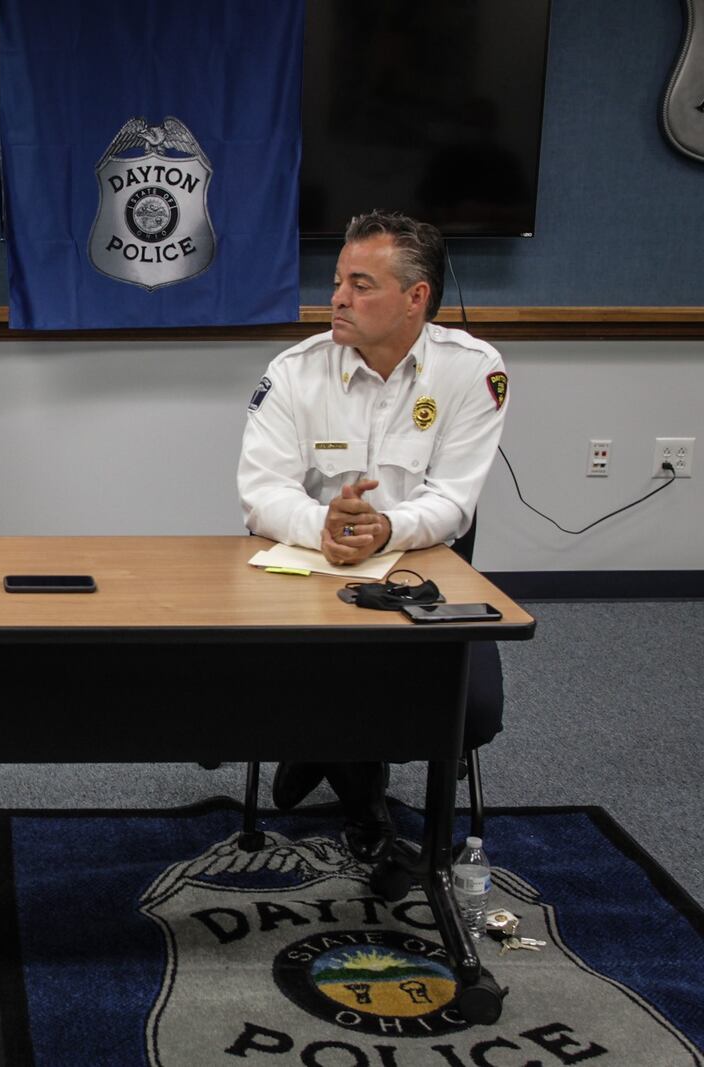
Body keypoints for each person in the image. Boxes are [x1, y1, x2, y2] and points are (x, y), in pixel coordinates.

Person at [236, 209, 509, 860]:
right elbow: (261, 492)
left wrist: (386, 529)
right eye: (337, 280)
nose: (337, 297)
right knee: (319, 674)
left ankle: (320, 748)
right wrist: (320, 525)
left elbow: (454, 500)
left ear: (416, 298)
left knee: (473, 710)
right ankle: (370, 823)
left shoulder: (472, 370)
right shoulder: (297, 371)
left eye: (361, 284)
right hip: (311, 571)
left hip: (422, 573)